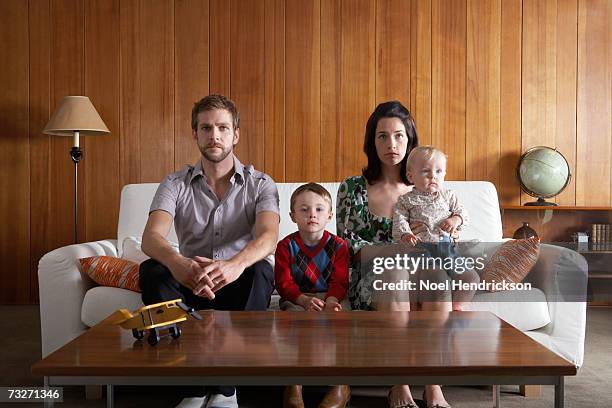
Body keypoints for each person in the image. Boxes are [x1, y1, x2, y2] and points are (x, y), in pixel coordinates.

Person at [139, 94, 280, 408]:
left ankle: (225, 390)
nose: (214, 135)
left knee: (261, 269)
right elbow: (151, 237)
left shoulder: (260, 184)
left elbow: (269, 237)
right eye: (205, 128)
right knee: (152, 270)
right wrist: (179, 264)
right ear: (195, 134)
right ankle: (195, 388)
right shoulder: (174, 183)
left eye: (222, 128)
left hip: (237, 285)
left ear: (235, 134)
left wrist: (233, 265)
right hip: (190, 286)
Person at [336, 101, 452, 408]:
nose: (392, 144)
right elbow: (347, 247)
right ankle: (399, 381)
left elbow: (445, 238)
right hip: (374, 279)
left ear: (410, 139)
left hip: (423, 274)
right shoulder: (352, 188)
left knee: (438, 276)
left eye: (399, 136)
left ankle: (432, 384)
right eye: (382, 136)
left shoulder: (429, 189)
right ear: (371, 142)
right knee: (395, 269)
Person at [275, 182, 350, 408]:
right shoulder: (285, 246)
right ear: (292, 215)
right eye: (304, 209)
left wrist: (332, 300)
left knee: (342, 320)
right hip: (299, 297)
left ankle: (340, 385)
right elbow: (283, 283)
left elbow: (340, 280)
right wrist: (303, 300)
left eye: (319, 209)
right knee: (295, 319)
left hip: (332, 296)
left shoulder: (338, 245)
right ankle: (294, 383)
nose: (312, 215)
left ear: (329, 215)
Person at [392, 146, 480, 311]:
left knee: (472, 278)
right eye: (426, 171)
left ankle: (458, 308)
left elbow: (464, 214)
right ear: (411, 176)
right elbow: (399, 221)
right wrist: (406, 234)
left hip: (447, 249)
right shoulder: (406, 200)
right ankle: (412, 311)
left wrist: (455, 220)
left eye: (439, 171)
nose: (433, 176)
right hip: (421, 251)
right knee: (419, 281)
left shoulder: (448, 196)